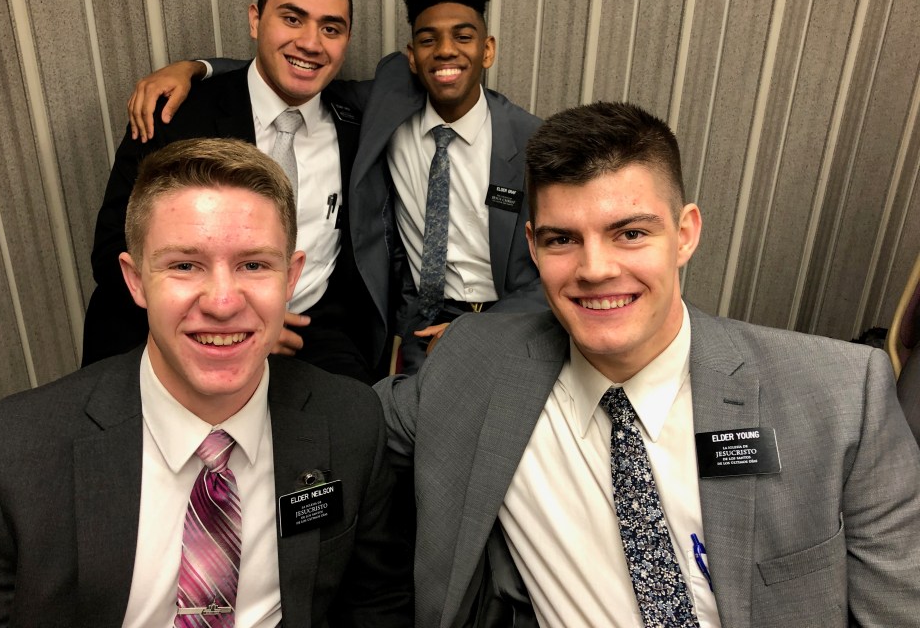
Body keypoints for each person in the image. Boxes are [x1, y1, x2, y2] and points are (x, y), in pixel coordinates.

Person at [375, 103, 920, 627]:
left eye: (630, 233)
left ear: (684, 234)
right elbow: (348, 423)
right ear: (533, 248)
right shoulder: (477, 363)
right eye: (562, 239)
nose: (595, 269)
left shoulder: (843, 398)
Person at [0, 138, 412, 628]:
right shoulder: (7, 460)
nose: (222, 302)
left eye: (254, 265)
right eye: (184, 265)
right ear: (136, 280)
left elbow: (376, 604)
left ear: (291, 277)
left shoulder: (350, 421)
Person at [127, 0, 544, 375]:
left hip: (503, 315)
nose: (446, 51)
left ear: (487, 50)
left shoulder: (531, 141)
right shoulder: (388, 102)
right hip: (417, 319)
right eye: (428, 40)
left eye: (464, 37)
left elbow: (557, 262)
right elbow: (293, 69)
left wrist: (483, 330)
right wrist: (196, 68)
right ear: (411, 57)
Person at [84, 0, 375, 383]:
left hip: (309, 333)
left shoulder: (357, 126)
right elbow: (112, 249)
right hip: (187, 323)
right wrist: (236, 324)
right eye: (292, 19)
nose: (311, 43)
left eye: (331, 29)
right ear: (256, 20)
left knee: (364, 414)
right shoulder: (176, 114)